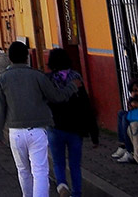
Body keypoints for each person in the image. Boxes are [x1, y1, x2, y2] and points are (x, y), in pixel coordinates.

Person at [0, 41, 80, 197]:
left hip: (15, 133)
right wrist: (72, 87)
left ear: (10, 59)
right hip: (37, 131)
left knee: (23, 170)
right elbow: (56, 97)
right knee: (40, 171)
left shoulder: (3, 79)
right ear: (27, 57)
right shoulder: (37, 76)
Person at [46, 48, 99, 197]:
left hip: (55, 126)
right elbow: (86, 106)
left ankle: (62, 185)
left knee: (58, 162)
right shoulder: (76, 78)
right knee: (75, 165)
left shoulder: (48, 80)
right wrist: (94, 134)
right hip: (76, 128)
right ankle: (77, 193)